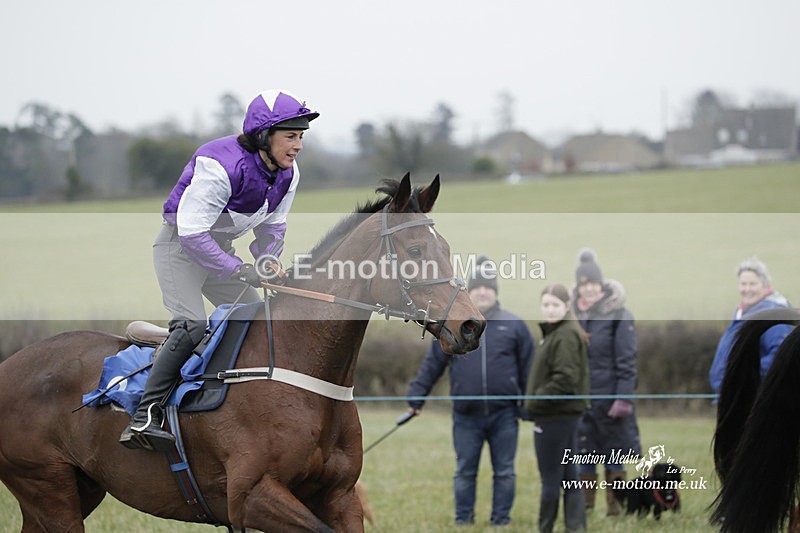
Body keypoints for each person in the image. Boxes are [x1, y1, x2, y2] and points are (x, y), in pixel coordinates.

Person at [119, 89, 319, 451]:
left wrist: (267, 262)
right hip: (179, 248)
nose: (298, 146)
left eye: (301, 137)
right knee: (192, 325)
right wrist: (239, 269)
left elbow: (273, 228)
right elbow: (193, 235)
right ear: (264, 135)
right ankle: (145, 415)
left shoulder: (288, 174)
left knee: (258, 319)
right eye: (291, 136)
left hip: (218, 250)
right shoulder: (219, 164)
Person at [406, 257, 535, 527]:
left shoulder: (514, 325)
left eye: (488, 287)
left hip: (504, 416)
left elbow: (528, 369)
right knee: (465, 471)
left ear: (495, 291)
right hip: (466, 417)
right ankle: (463, 520)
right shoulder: (455, 324)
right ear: (470, 292)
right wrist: (417, 396)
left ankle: (501, 521)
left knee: (505, 472)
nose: (483, 292)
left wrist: (527, 405)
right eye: (478, 288)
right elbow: (433, 364)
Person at [571, 247, 641, 516]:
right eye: (584, 284)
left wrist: (623, 398)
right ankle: (585, 509)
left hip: (611, 402)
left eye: (594, 284)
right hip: (582, 402)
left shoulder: (619, 316)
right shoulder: (571, 316)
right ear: (578, 288)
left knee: (614, 456)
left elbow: (627, 361)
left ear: (602, 285)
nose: (589, 289)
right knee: (585, 455)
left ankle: (616, 509)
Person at [525, 284, 589, 533]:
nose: (550, 310)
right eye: (546, 305)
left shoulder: (565, 335)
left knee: (551, 479)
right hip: (562, 415)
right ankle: (576, 528)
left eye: (555, 305)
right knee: (570, 476)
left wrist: (535, 401)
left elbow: (565, 379)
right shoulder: (558, 332)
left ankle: (546, 528)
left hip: (555, 416)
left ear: (567, 306)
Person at [708, 256, 792, 395]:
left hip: (754, 397)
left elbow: (779, 357)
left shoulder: (772, 315)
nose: (747, 289)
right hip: (734, 397)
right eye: (743, 284)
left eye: (752, 284)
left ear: (765, 285)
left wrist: (742, 377)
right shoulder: (742, 314)